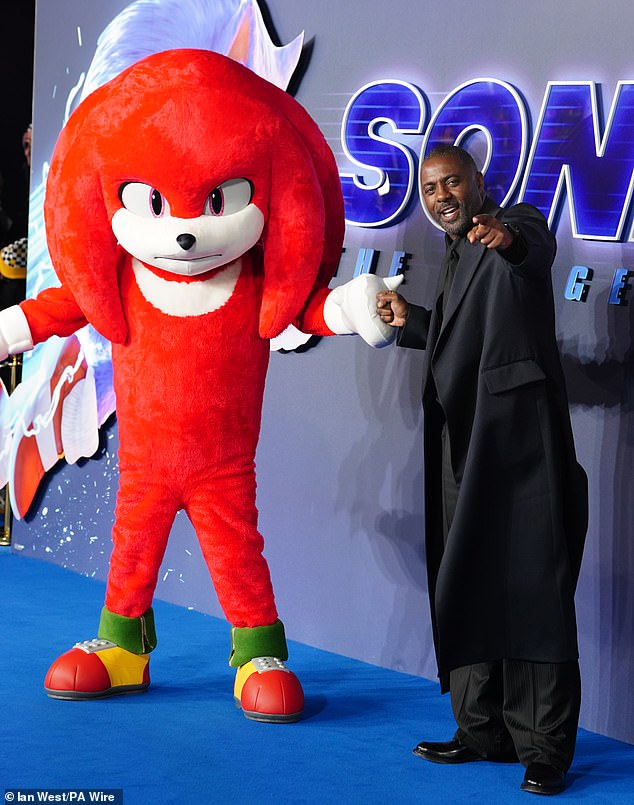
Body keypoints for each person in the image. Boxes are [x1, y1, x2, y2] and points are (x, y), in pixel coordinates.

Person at [376, 145, 588, 796]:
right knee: (464, 577)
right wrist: (412, 322)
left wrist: (508, 239)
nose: (442, 194)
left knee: (531, 591)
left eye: (453, 182)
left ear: (478, 184)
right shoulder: (452, 250)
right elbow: (465, 329)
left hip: (520, 447)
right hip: (459, 444)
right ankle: (481, 730)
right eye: (431, 186)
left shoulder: (513, 222)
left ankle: (544, 749)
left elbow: (530, 248)